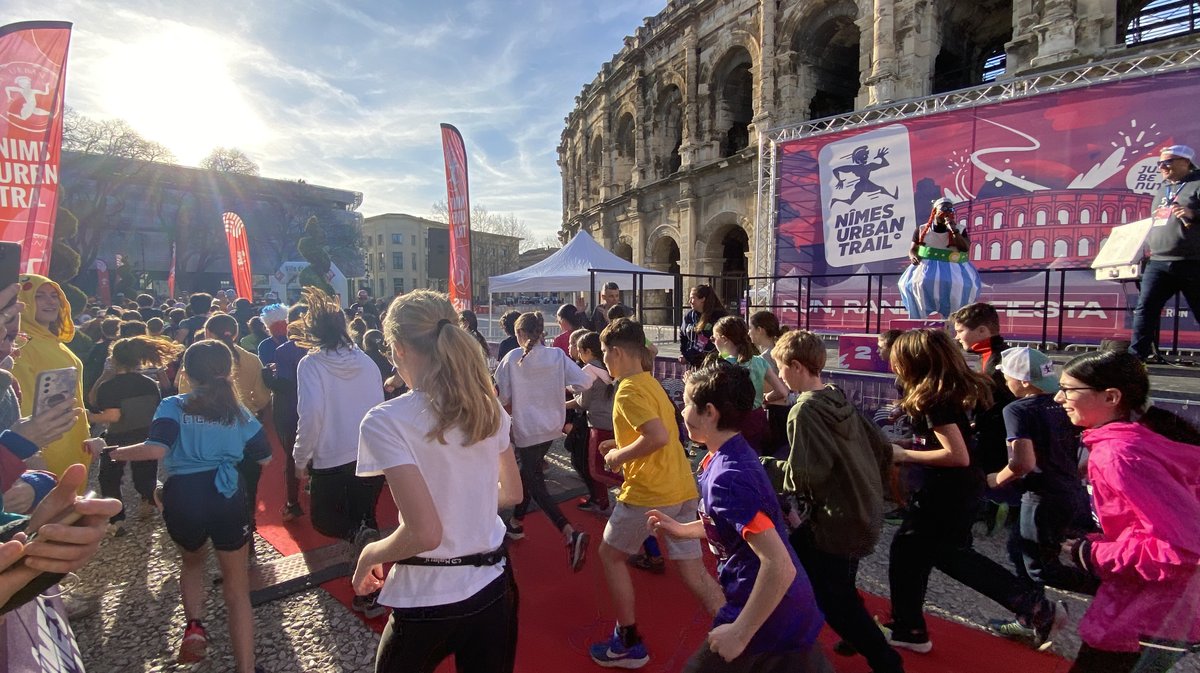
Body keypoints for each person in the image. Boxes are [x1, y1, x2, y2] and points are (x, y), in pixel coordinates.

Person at [352, 290, 522, 673]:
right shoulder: (486, 405)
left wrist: (370, 553)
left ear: (397, 348)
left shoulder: (385, 420)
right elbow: (512, 492)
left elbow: (425, 533)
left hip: (428, 597)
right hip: (495, 585)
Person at [885, 329, 1065, 654]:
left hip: (946, 492)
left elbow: (956, 455)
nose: (892, 362)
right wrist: (909, 446)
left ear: (912, 360)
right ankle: (909, 626)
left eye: (896, 356)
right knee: (938, 555)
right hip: (960, 489)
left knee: (915, 553)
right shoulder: (945, 391)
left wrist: (903, 454)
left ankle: (910, 628)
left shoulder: (931, 398)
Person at [651, 360, 830, 673]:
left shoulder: (728, 476)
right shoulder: (726, 455)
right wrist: (681, 530)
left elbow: (779, 564)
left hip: (767, 614)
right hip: (780, 611)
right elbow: (732, 526)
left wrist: (740, 632)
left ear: (710, 412)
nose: (682, 411)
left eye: (688, 403)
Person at [109, 340, 271, 673]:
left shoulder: (173, 405)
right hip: (225, 494)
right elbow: (265, 456)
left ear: (186, 372)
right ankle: (246, 667)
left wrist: (112, 452)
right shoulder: (237, 411)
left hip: (184, 494)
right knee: (237, 588)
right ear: (229, 372)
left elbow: (156, 449)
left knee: (192, 562)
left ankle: (195, 626)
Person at [764, 330, 904, 673]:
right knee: (813, 571)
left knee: (833, 599)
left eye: (781, 368)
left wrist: (762, 466)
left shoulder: (805, 410)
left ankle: (885, 660)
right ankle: (855, 636)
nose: (779, 376)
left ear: (796, 366)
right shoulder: (836, 396)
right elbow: (880, 446)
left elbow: (805, 475)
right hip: (858, 511)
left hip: (836, 520)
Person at [1053, 350, 1200, 672]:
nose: (1058, 397)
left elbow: (1181, 549)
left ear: (1111, 397)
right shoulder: (1139, 440)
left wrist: (1093, 553)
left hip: (1150, 613)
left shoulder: (1121, 454)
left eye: (1068, 389)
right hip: (1156, 609)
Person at [590, 318, 724, 669]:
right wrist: (619, 444)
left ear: (616, 352)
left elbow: (656, 436)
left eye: (605, 353)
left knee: (610, 555)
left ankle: (628, 641)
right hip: (679, 486)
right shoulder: (648, 383)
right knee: (694, 572)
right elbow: (657, 433)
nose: (604, 360)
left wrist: (617, 456)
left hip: (650, 493)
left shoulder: (628, 389)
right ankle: (739, 630)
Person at [984, 347, 1096, 641]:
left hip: (1041, 496)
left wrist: (996, 479)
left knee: (1040, 567)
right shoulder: (1064, 404)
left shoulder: (1018, 409)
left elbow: (1022, 462)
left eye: (1007, 375)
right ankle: (1030, 619)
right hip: (1070, 491)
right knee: (1019, 550)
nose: (1005, 381)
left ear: (1021, 381)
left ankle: (1112, 589)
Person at [292, 288, 387, 617]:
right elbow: (379, 406)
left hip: (332, 456)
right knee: (366, 519)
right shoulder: (365, 360)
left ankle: (358, 544)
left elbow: (311, 414)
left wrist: (300, 459)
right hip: (370, 453)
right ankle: (369, 593)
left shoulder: (311, 365)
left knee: (325, 518)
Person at [494, 312, 591, 569]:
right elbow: (584, 382)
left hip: (526, 428)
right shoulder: (557, 356)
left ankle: (569, 531)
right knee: (530, 473)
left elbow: (501, 397)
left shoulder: (513, 358)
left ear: (521, 335)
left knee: (535, 481)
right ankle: (516, 522)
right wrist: (556, 391)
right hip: (552, 426)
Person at [177, 314, 271, 532]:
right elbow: (263, 398)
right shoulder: (251, 359)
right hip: (244, 427)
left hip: (204, 430)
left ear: (207, 333)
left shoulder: (194, 360)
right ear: (236, 333)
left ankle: (218, 526)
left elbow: (184, 395)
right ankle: (247, 523)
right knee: (248, 481)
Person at [88, 336, 182, 536]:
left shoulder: (109, 386)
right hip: (146, 435)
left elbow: (111, 414)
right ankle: (159, 502)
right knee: (146, 479)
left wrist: (90, 415)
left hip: (116, 439)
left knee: (110, 479)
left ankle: (117, 520)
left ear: (114, 359)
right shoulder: (148, 383)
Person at [11, 275, 91, 481]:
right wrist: (33, 456)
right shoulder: (19, 346)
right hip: (45, 448)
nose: (51, 301)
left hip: (71, 440)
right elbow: (23, 404)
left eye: (54, 295)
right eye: (39, 296)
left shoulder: (53, 342)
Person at [1129, 144, 1200, 363]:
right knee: (1145, 309)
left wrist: (1194, 213)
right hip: (1159, 261)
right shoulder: (1164, 188)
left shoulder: (1197, 184)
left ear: (1185, 162)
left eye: (1167, 162)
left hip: (1192, 262)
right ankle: (1135, 357)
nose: (1162, 166)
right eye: (1160, 163)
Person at [712, 316, 789, 455]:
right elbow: (782, 392)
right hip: (757, 419)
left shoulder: (722, 365)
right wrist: (763, 398)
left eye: (714, 338)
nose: (714, 343)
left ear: (723, 339)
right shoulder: (759, 362)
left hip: (732, 422)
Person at [897, 197, 980, 318]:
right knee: (914, 286)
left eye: (950, 209)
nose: (947, 212)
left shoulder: (960, 229)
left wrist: (953, 230)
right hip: (926, 269)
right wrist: (913, 256)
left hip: (953, 269)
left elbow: (965, 247)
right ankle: (918, 324)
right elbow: (913, 249)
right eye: (944, 209)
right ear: (935, 211)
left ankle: (954, 324)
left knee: (959, 291)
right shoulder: (922, 229)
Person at [748, 310, 791, 456]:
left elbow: (782, 391)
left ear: (760, 330)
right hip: (784, 412)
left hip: (777, 414)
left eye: (750, 328)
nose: (749, 333)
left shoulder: (766, 358)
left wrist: (765, 398)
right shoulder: (778, 351)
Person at [680, 285, 727, 368]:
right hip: (693, 365)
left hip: (713, 364)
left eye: (692, 298)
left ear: (702, 299)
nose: (690, 301)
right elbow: (683, 336)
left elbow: (723, 340)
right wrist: (685, 354)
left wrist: (688, 356)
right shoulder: (689, 316)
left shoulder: (718, 316)